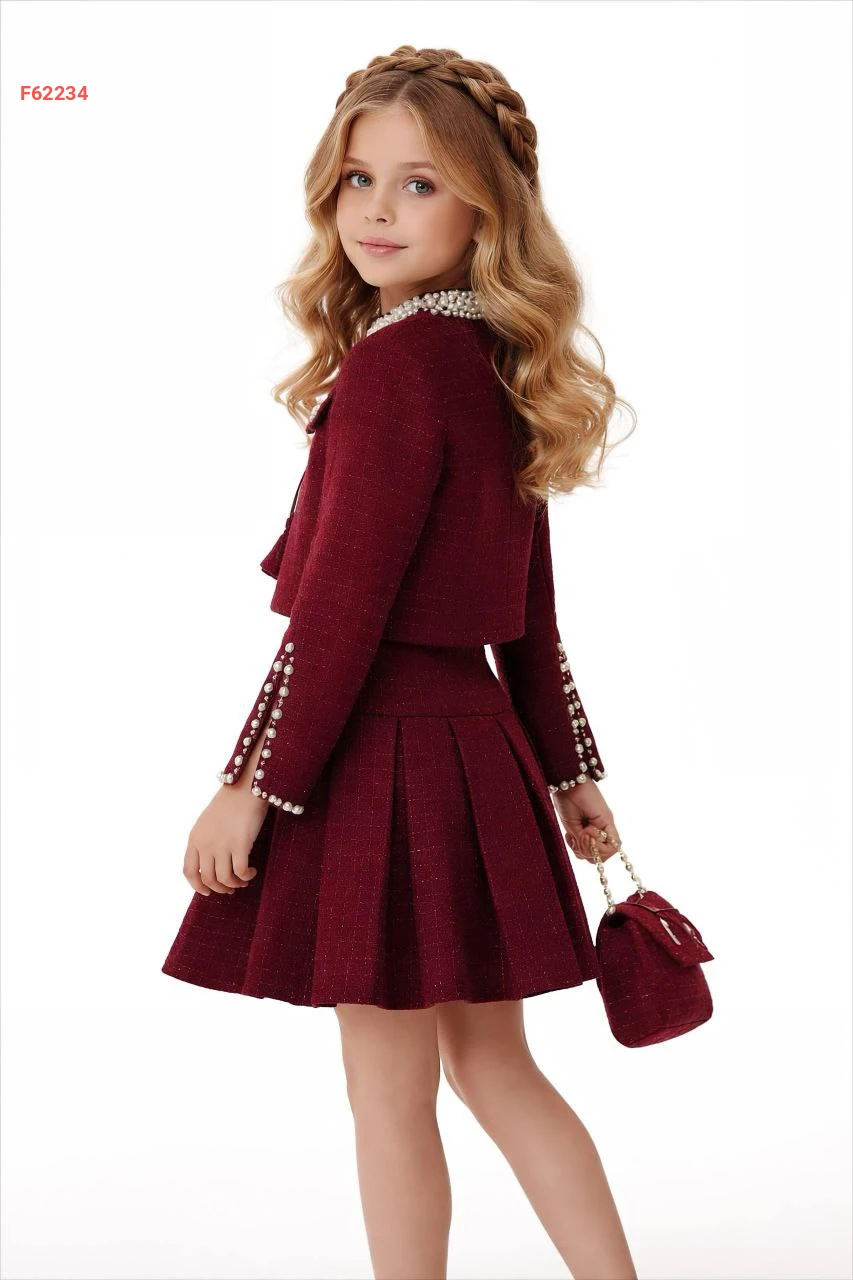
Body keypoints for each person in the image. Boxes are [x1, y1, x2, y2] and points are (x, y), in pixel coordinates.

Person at [162, 44, 639, 1280]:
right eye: (357, 179)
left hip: (378, 760)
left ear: (487, 204)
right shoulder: (493, 362)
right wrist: (569, 770)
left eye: (419, 183)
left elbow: (339, 617)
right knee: (496, 1066)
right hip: (479, 756)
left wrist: (251, 784)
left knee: (388, 1092)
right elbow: (530, 618)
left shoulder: (393, 368)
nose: (376, 210)